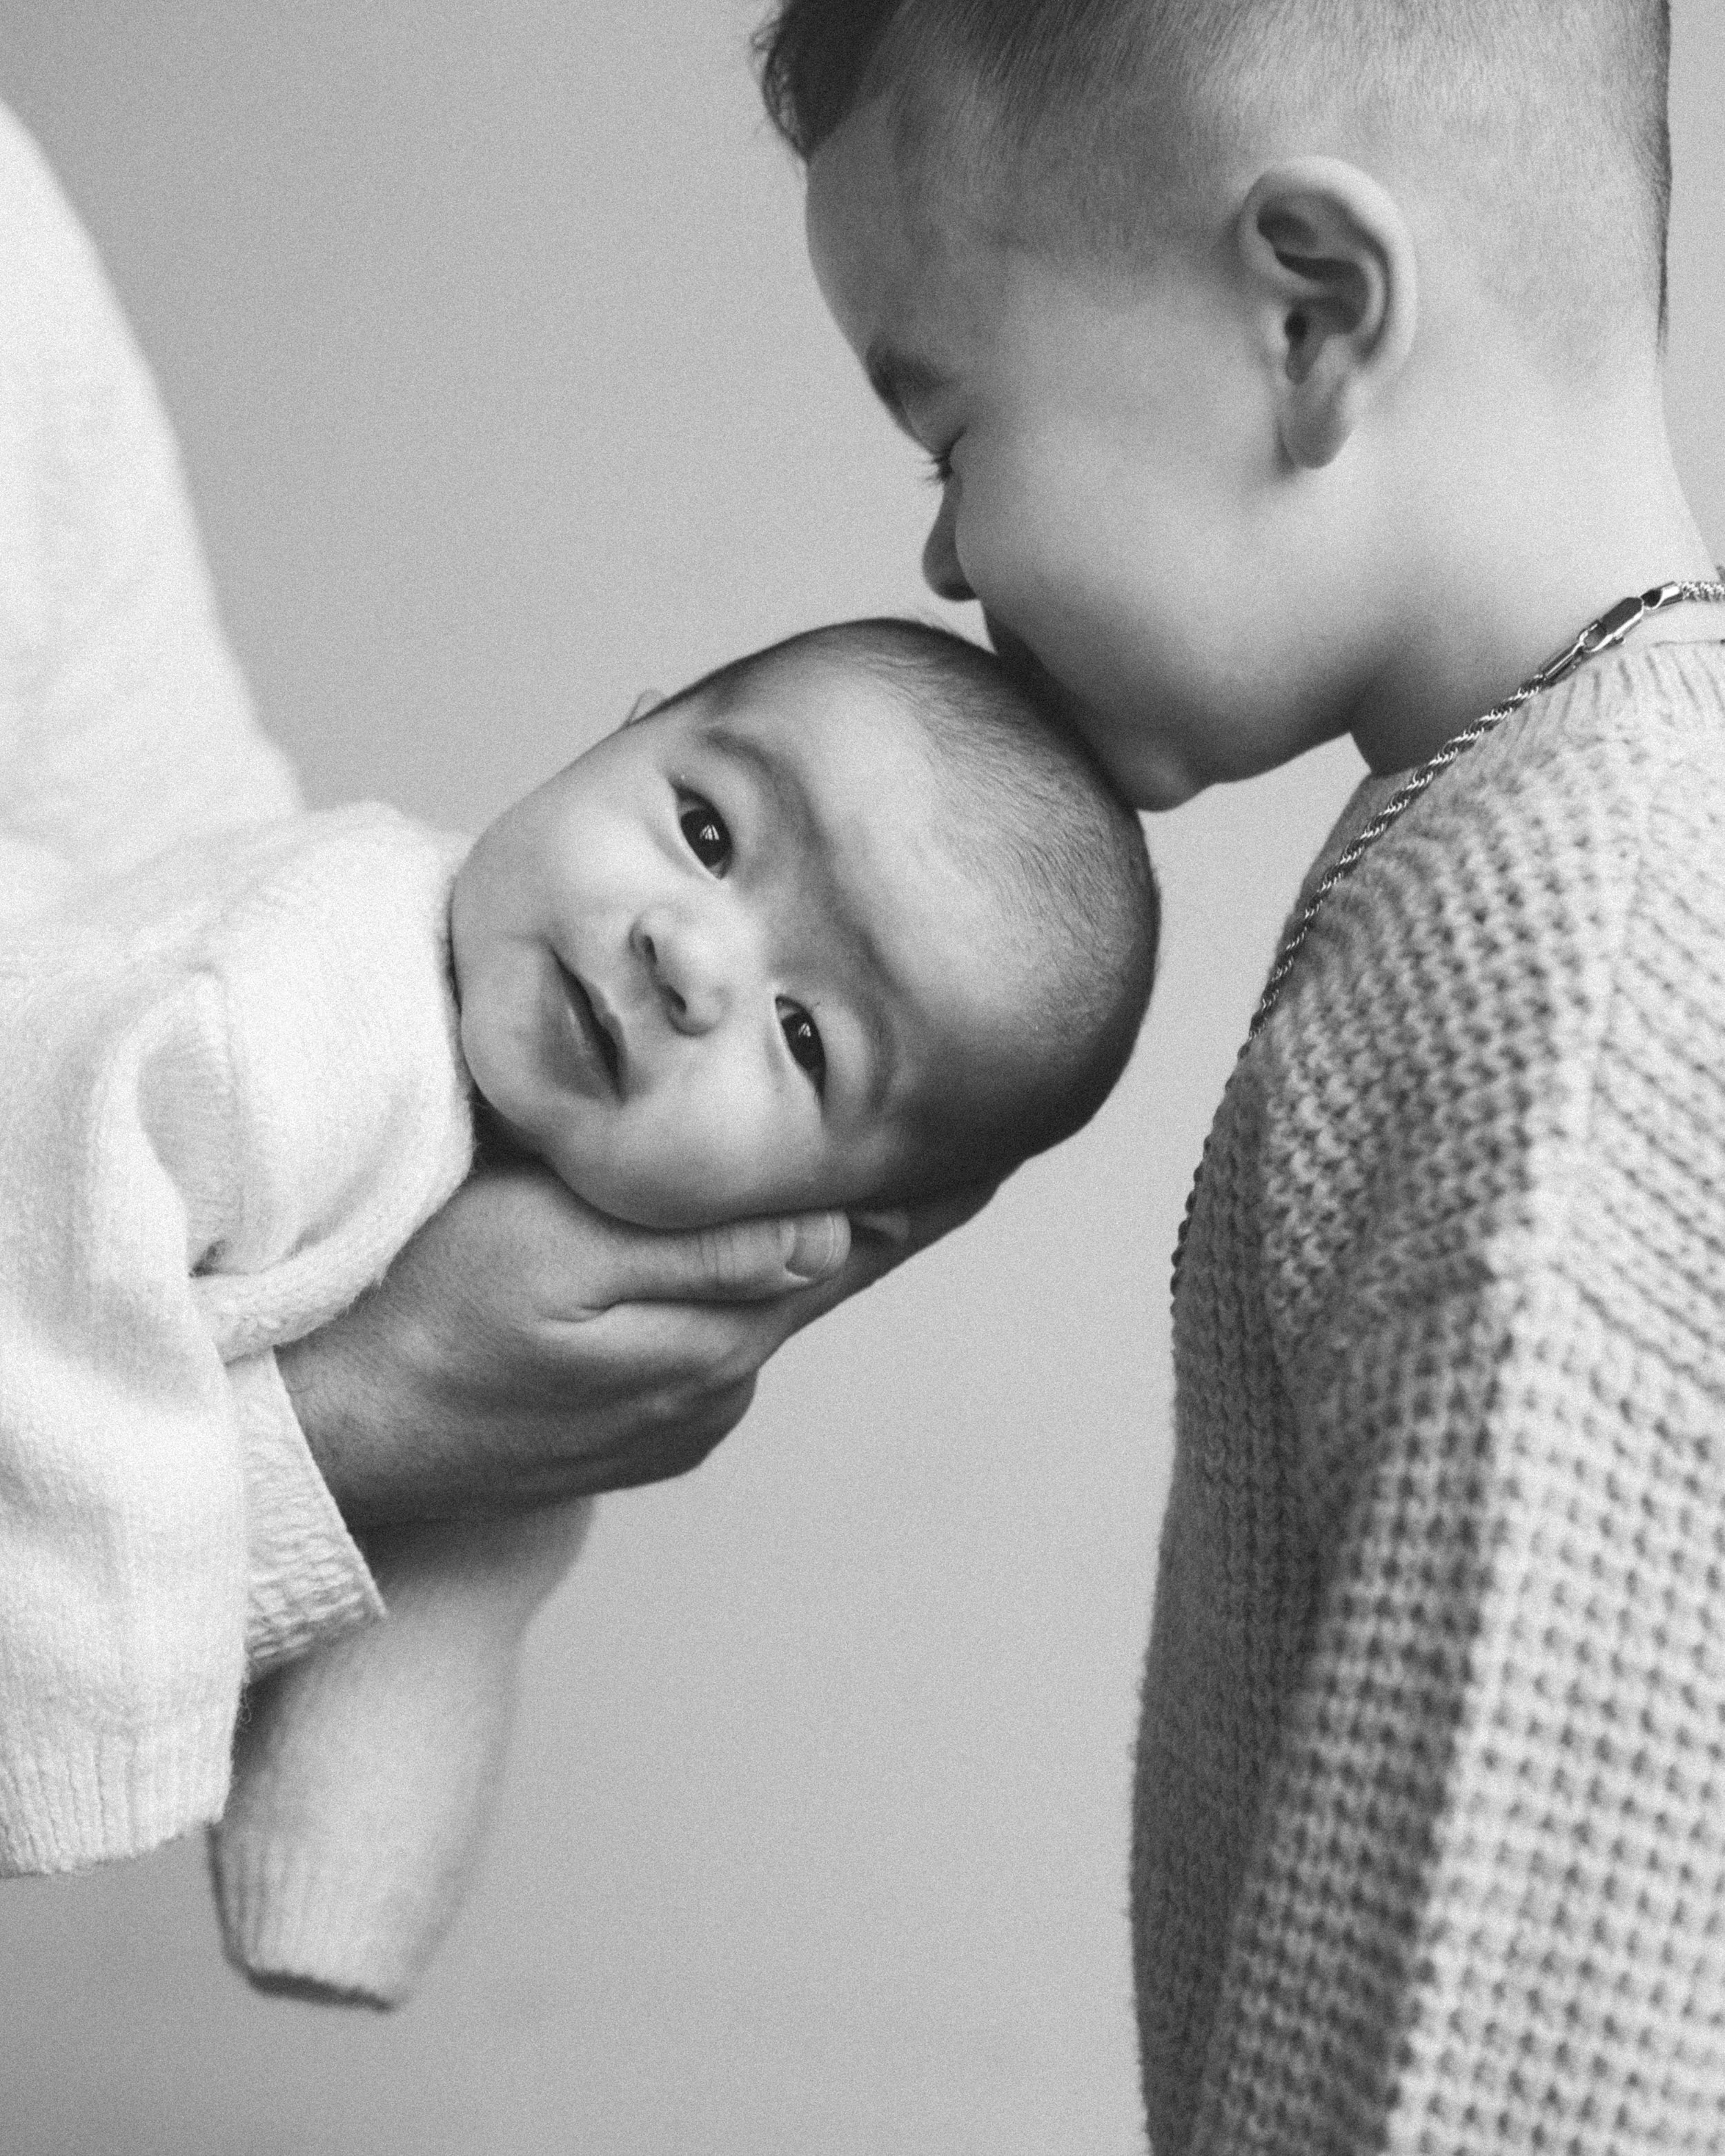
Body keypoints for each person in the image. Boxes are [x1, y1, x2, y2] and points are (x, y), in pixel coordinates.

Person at [760, 0, 1725, 2148]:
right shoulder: (1549, 842)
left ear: (1307, 312)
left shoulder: (1559, 987)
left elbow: (1484, 2062)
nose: (941, 561)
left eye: (947, 432)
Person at [1, 613, 1158, 2006]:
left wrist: (330, 1913)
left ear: (847, 1222)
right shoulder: (290, 1012)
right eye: (707, 831)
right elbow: (57, 1341)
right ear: (616, 732)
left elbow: (453, 1579)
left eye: (805, 1035)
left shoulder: (560, 1328)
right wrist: (100, 1737)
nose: (691, 957)